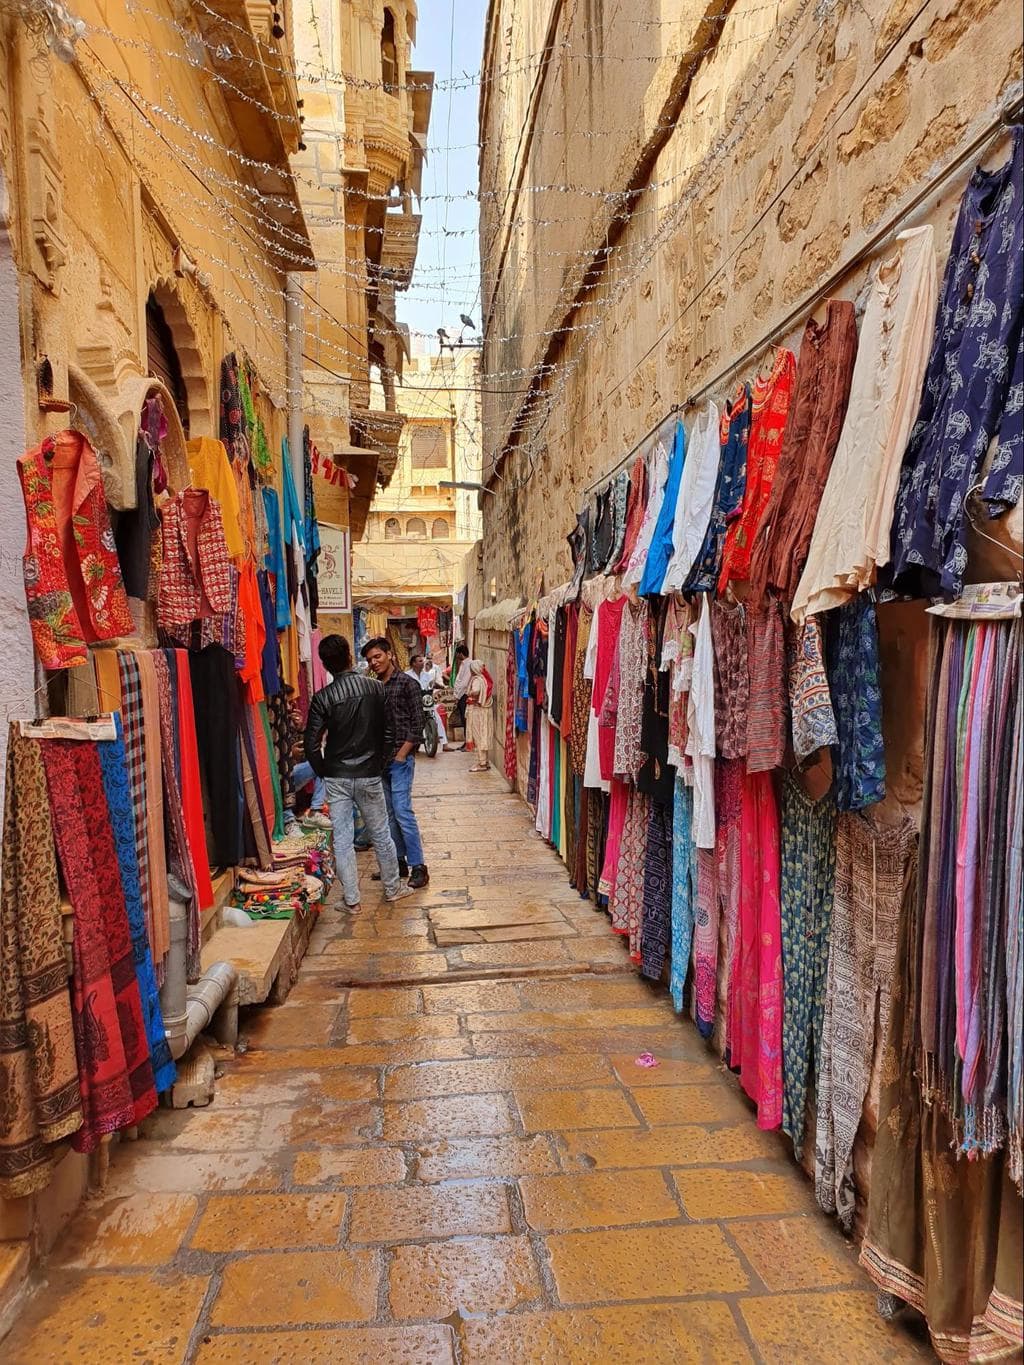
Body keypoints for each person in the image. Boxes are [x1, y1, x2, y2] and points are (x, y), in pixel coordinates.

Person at [303, 634, 412, 909]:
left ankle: (351, 900)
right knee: (380, 833)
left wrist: (324, 772)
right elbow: (389, 732)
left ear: (325, 665)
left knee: (342, 839)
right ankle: (392, 888)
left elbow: (311, 744)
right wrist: (380, 762)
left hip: (338, 775)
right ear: (350, 657)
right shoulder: (375, 688)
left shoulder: (322, 697)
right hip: (369, 773)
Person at [362, 636, 430, 889]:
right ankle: (398, 863)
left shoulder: (407, 684)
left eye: (377, 656)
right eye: (370, 659)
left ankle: (419, 866)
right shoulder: (373, 686)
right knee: (389, 815)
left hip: (400, 760)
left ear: (390, 654)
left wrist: (402, 754)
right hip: (380, 762)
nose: (374, 662)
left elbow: (418, 723)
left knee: (403, 812)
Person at [405, 652, 449, 750]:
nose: (423, 662)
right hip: (412, 703)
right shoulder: (407, 675)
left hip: (426, 701)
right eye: (420, 661)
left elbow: (432, 684)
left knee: (437, 718)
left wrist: (443, 686)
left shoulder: (426, 675)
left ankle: (445, 744)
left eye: (422, 661)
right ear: (414, 664)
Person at [465, 660, 494, 771]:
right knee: (483, 735)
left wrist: (470, 693)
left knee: (478, 736)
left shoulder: (477, 680)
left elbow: (476, 691)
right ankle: (485, 761)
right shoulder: (484, 680)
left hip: (477, 711)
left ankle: (481, 763)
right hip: (483, 711)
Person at [452, 643, 471, 750]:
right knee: (464, 721)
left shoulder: (468, 665)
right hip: (461, 696)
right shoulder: (463, 664)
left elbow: (464, 684)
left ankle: (468, 743)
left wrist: (457, 697)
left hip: (464, 696)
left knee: (466, 720)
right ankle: (466, 742)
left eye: (457, 654)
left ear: (460, 654)